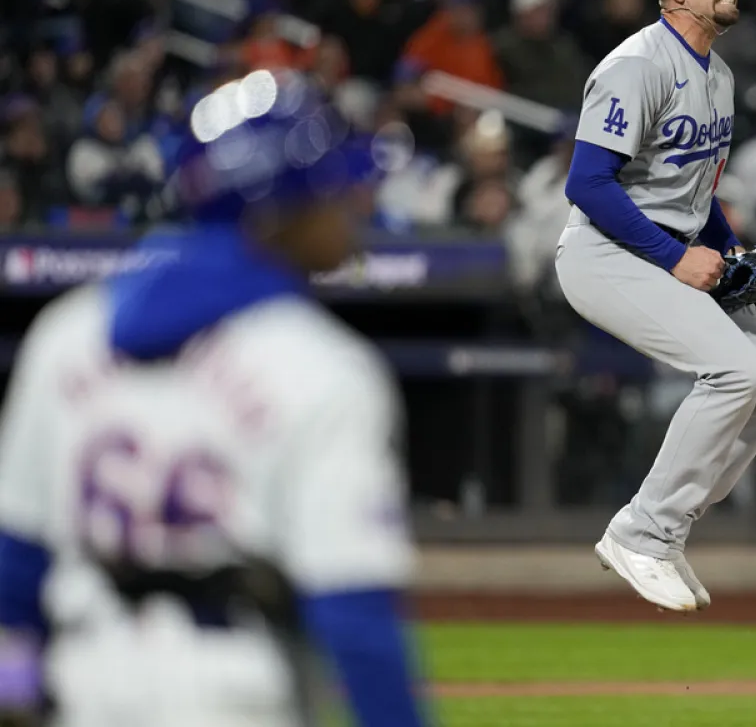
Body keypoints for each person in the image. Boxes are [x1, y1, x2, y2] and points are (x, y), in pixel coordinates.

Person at [0, 70, 433, 727]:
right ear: (274, 209)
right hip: (235, 691)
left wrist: (15, 690)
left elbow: (15, 565)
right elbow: (355, 615)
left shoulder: (68, 332)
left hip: (82, 683)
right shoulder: (321, 367)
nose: (353, 199)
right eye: (328, 188)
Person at [555, 0, 756, 612]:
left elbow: (696, 191)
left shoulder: (719, 75)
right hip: (606, 251)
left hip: (671, 247)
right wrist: (676, 257)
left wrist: (726, 253)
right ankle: (644, 531)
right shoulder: (636, 63)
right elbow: (587, 182)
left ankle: (672, 524)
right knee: (737, 370)